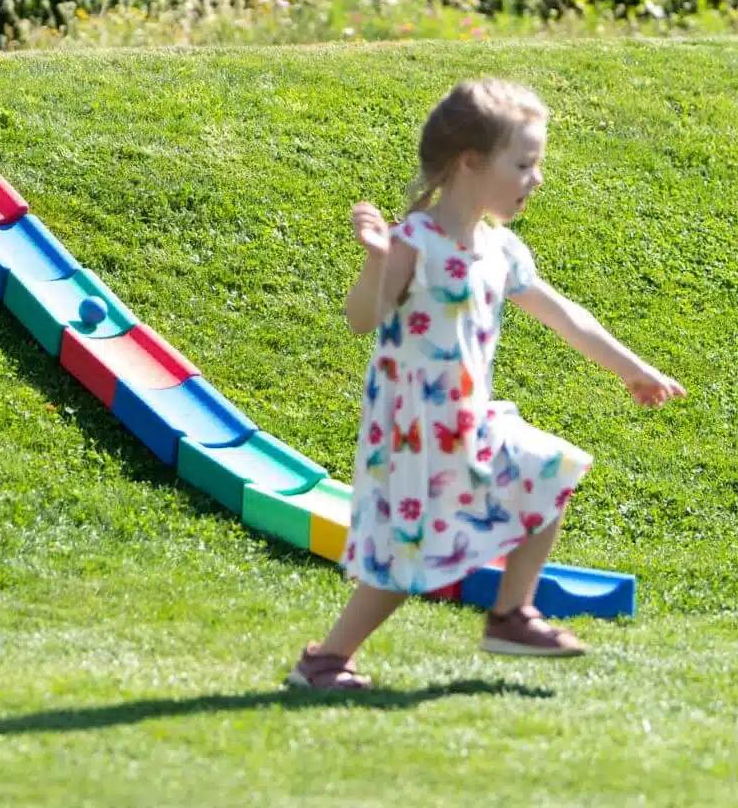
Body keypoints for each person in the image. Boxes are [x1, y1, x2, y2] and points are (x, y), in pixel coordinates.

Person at [286, 78, 687, 691]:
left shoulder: (500, 248)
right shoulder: (414, 242)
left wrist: (634, 367)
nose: (537, 179)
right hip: (416, 430)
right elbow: (362, 318)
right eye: (524, 164)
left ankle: (511, 614)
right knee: (404, 563)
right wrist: (375, 258)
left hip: (467, 417)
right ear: (470, 162)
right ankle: (327, 660)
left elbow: (566, 315)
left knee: (549, 470)